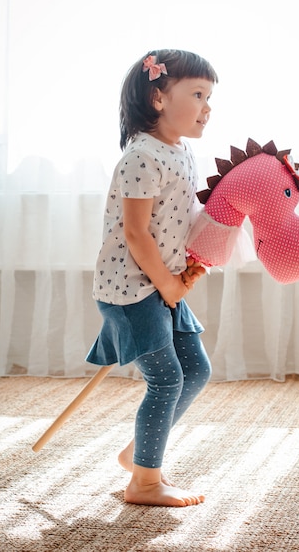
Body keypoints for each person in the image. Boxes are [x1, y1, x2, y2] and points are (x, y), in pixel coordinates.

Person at [86, 49, 218, 507]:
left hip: (162, 282)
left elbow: (184, 217)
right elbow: (137, 234)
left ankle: (141, 453)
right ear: (159, 97)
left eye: (210, 96)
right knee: (166, 380)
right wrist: (169, 285)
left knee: (196, 371)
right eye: (198, 94)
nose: (207, 106)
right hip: (134, 287)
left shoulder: (182, 152)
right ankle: (144, 482)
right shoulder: (142, 156)